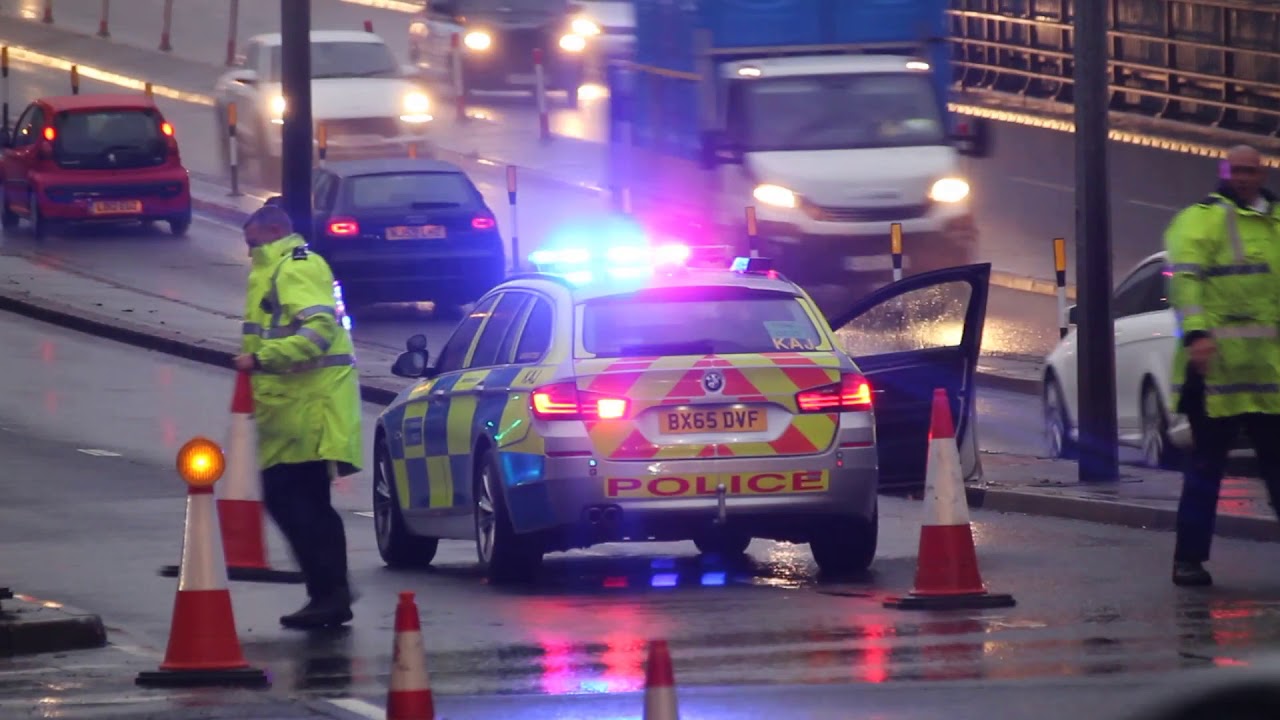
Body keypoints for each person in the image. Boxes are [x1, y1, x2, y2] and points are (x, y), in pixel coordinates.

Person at [232, 203, 363, 626]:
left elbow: (319, 330)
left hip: (308, 407)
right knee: (304, 501)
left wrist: (264, 358)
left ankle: (330, 592)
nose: (250, 253)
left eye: (252, 244)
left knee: (293, 500)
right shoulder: (279, 268)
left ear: (271, 233)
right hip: (293, 408)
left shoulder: (294, 267)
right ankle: (328, 592)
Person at [1165, 144, 1280, 587]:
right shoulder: (1200, 221)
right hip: (1215, 374)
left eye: (1253, 171)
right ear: (1225, 170)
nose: (1246, 178)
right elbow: (1186, 283)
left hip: (1267, 374)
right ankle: (1188, 560)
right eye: (1239, 170)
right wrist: (1197, 334)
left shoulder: (1274, 222)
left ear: (1263, 172)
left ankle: (1189, 559)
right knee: (1205, 472)